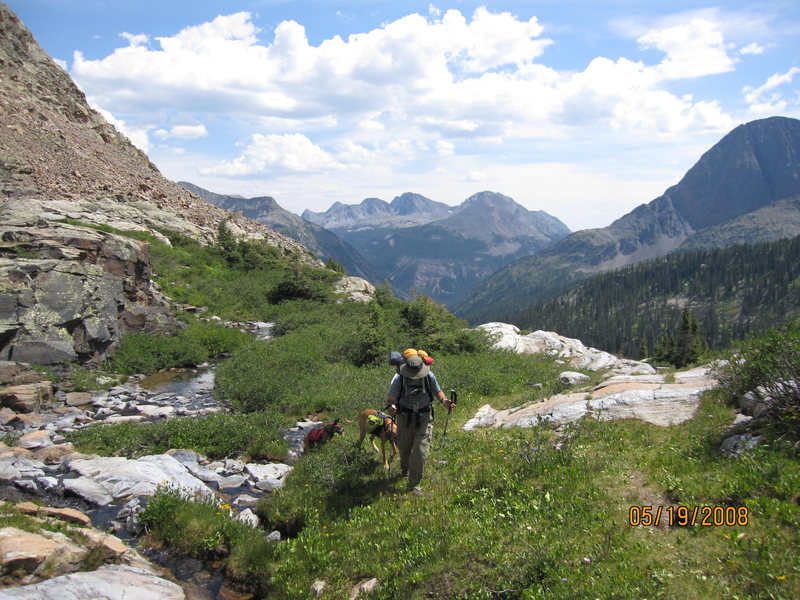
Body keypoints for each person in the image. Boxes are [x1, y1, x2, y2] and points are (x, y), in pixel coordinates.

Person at [386, 351, 454, 495]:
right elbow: (391, 399)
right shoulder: (400, 379)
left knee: (421, 450)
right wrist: (391, 408)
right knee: (404, 448)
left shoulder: (429, 377)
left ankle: (414, 484)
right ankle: (405, 469)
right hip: (405, 417)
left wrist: (444, 401)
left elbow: (438, 391)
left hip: (424, 416)